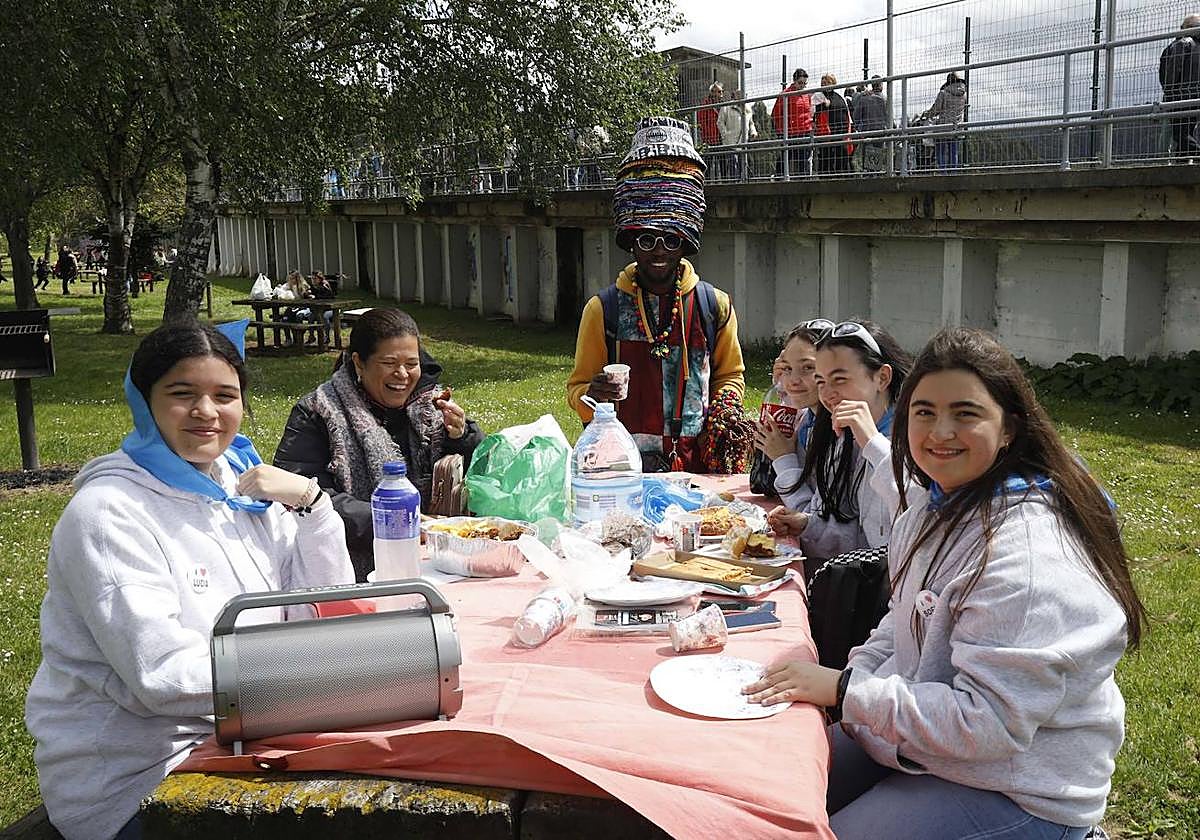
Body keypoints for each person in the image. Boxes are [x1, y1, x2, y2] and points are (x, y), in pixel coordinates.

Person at [744, 326, 1147, 840]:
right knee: (775, 794)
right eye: (925, 412)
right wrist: (855, 679)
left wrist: (847, 692)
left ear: (1009, 429)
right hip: (925, 742)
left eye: (966, 413)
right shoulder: (932, 504)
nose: (940, 432)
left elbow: (988, 725)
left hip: (1016, 786)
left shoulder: (1023, 555)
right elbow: (902, 613)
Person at [24, 320, 354, 840]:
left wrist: (312, 505)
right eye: (183, 394)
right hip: (137, 777)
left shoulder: (241, 486)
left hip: (249, 733)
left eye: (224, 395)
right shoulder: (109, 514)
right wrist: (322, 676)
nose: (206, 412)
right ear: (144, 401)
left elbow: (318, 606)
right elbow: (163, 678)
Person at [566, 116, 747, 474]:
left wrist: (726, 407)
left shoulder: (715, 306)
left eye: (671, 239)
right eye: (646, 239)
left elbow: (731, 375)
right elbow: (577, 389)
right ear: (631, 241)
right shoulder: (603, 310)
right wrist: (594, 396)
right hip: (621, 468)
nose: (659, 251)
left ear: (686, 240)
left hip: (700, 470)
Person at [274, 307, 483, 581]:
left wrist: (462, 438)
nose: (403, 374)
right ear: (359, 362)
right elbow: (300, 494)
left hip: (437, 566)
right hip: (346, 569)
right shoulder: (319, 411)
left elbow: (482, 471)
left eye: (411, 363)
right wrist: (394, 521)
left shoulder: (431, 406)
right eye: (389, 363)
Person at [766, 319, 912, 578]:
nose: (828, 393)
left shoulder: (913, 443)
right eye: (821, 381)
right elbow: (860, 535)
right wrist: (806, 525)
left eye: (840, 379)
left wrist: (871, 443)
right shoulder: (845, 433)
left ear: (882, 377)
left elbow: (913, 522)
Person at [753, 321, 824, 512]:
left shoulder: (842, 432)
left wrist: (784, 458)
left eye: (808, 367)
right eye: (788, 368)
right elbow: (763, 484)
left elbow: (810, 515)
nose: (793, 380)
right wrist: (781, 390)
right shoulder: (804, 417)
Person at [1159, 15, 1200, 160]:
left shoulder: (1182, 44)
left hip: (1179, 96)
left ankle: (1193, 155)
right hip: (1196, 96)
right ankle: (1182, 161)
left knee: (1180, 134)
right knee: (1186, 132)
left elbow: (1171, 71)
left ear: (1186, 28)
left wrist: (1169, 94)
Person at [920, 72, 968, 171]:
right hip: (956, 127)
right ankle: (953, 173)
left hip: (942, 127)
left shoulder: (943, 93)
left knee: (940, 151)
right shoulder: (964, 95)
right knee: (953, 152)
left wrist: (926, 114)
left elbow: (936, 110)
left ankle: (943, 172)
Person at [773, 68, 813, 177]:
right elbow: (776, 114)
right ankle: (779, 178)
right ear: (794, 81)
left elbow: (809, 111)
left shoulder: (806, 95)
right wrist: (781, 131)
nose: (802, 86)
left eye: (805, 84)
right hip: (790, 133)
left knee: (804, 160)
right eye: (800, 83)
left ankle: (804, 181)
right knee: (785, 157)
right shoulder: (785, 94)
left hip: (805, 131)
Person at [811, 73, 853, 175]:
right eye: (823, 82)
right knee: (826, 156)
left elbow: (847, 113)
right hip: (826, 133)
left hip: (841, 132)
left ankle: (841, 177)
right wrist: (824, 105)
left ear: (833, 83)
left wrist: (850, 129)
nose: (825, 84)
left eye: (828, 82)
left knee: (842, 156)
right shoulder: (818, 96)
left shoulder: (840, 97)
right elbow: (812, 111)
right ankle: (825, 178)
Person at [718, 88, 758, 181]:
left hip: (744, 141)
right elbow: (720, 122)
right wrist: (725, 135)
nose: (742, 97)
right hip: (731, 142)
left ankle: (745, 182)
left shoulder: (748, 108)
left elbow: (751, 122)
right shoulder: (726, 107)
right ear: (735, 96)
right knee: (733, 164)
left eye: (744, 95)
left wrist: (753, 132)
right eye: (739, 94)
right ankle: (734, 184)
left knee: (744, 164)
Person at [852, 76, 888, 173]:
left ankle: (868, 174)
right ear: (881, 85)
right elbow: (889, 117)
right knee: (877, 156)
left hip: (867, 130)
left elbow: (856, 116)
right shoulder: (885, 99)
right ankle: (875, 173)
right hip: (881, 131)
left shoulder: (864, 98)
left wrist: (859, 128)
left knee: (866, 157)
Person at [698, 81, 724, 177]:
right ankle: (707, 183)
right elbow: (702, 123)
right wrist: (708, 137)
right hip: (710, 139)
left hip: (721, 139)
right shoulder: (705, 105)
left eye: (721, 92)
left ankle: (724, 183)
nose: (721, 94)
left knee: (723, 163)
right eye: (719, 92)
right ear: (712, 92)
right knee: (708, 164)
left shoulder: (723, 106)